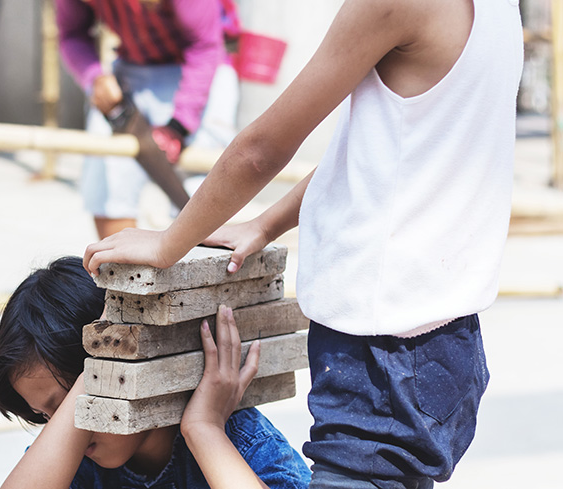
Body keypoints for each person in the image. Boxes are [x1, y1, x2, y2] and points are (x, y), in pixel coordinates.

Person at [83, 0, 523, 487]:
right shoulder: (498, 8)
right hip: (448, 342)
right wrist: (266, 224)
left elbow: (260, 150)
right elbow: (381, 153)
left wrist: (169, 242)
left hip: (384, 353)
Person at [0, 256, 311, 489]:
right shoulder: (76, 458)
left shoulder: (241, 440)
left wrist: (204, 429)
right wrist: (88, 381)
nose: (67, 424)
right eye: (48, 416)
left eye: (66, 404)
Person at [56, 0, 240, 239]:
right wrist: (94, 78)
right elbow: (71, 34)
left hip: (200, 68)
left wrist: (178, 126)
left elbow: (204, 45)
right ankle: (125, 274)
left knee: (202, 197)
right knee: (108, 190)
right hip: (132, 68)